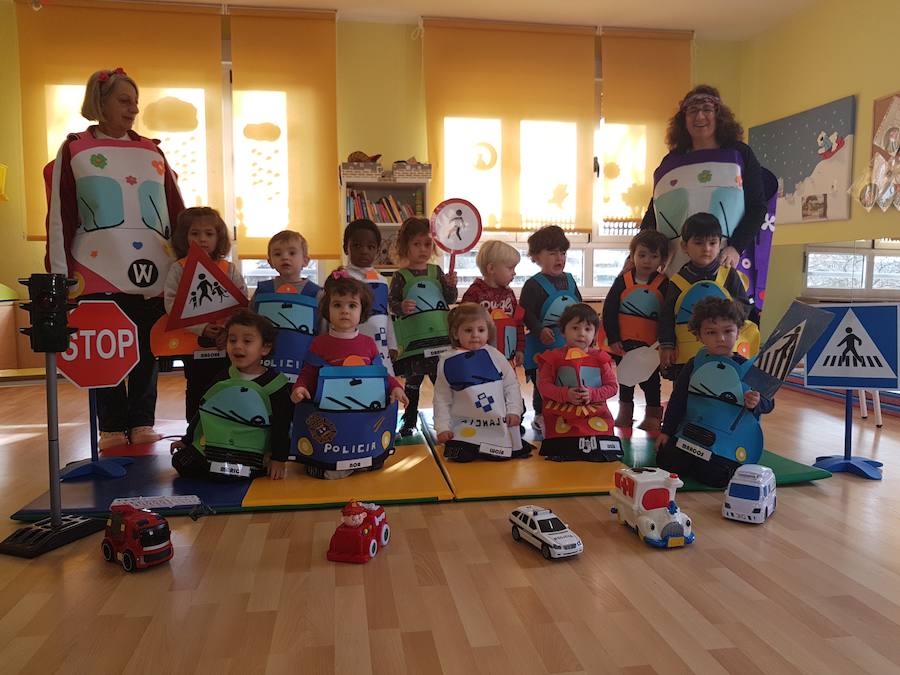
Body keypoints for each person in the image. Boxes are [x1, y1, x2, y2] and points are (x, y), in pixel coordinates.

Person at [45, 67, 184, 449]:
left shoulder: (152, 150)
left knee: (145, 349)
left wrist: (189, 265)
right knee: (103, 350)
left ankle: (141, 420)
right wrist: (59, 275)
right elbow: (61, 215)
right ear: (100, 103)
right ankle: (110, 425)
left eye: (136, 101)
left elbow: (175, 211)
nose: (133, 108)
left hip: (153, 271)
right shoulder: (74, 149)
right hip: (94, 269)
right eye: (125, 100)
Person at [640, 84, 767, 276]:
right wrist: (637, 254)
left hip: (725, 264)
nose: (700, 116)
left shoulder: (740, 154)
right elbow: (655, 212)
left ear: (718, 115)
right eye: (692, 111)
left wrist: (736, 247)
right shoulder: (671, 161)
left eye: (707, 109)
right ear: (684, 120)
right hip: (676, 269)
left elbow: (757, 207)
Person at [292, 274, 408, 479]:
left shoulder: (368, 344)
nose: (345, 310)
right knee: (328, 457)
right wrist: (300, 388)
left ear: (362, 311)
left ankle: (360, 461)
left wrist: (395, 387)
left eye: (352, 305)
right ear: (327, 309)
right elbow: (308, 373)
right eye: (337, 305)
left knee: (370, 453)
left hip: (362, 416)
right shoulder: (320, 344)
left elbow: (380, 374)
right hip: (332, 412)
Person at [656, 297, 774, 487]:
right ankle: (695, 461)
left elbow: (769, 403)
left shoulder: (750, 369)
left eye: (728, 331)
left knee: (715, 476)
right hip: (693, 433)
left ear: (738, 333)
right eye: (711, 332)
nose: (721, 338)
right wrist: (666, 431)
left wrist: (757, 402)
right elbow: (678, 400)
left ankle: (706, 464)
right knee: (666, 461)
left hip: (726, 442)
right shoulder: (694, 364)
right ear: (699, 336)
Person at [171, 309, 292, 481]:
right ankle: (219, 466)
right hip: (218, 444)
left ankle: (227, 469)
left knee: (232, 474)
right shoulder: (223, 377)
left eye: (247, 341)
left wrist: (278, 459)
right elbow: (203, 411)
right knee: (181, 461)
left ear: (265, 348)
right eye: (232, 340)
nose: (237, 346)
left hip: (251, 450)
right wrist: (187, 439)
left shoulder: (274, 385)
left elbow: (282, 426)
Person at [165, 207, 247, 424]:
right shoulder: (179, 269)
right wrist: (200, 328)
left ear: (218, 238)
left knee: (225, 384)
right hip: (193, 344)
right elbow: (172, 304)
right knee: (196, 388)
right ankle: (194, 434)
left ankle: (225, 429)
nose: (202, 239)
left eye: (209, 234)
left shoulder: (228, 269)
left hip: (225, 343)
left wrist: (228, 330)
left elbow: (241, 301)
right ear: (184, 237)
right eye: (195, 234)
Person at [659, 212, 757, 381]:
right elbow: (667, 316)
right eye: (698, 243)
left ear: (720, 244)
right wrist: (666, 345)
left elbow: (744, 308)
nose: (706, 248)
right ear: (684, 246)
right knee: (685, 394)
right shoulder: (678, 280)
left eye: (713, 243)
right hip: (687, 356)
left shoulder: (729, 276)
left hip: (725, 350)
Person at [389, 217, 458, 436]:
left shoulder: (436, 271)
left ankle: (445, 421)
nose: (422, 249)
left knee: (442, 382)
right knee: (413, 382)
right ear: (405, 247)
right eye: (416, 244)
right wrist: (401, 306)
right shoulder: (400, 276)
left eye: (427, 244)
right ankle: (409, 421)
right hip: (415, 343)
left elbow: (449, 298)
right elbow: (391, 303)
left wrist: (451, 286)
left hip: (440, 338)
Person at [433, 304, 528, 462]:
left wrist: (514, 410)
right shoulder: (447, 361)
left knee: (500, 456)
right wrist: (442, 427)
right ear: (456, 333)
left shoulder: (495, 355)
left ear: (488, 332)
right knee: (460, 456)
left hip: (496, 426)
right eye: (468, 330)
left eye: (481, 330)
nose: (475, 335)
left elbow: (511, 385)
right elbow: (441, 398)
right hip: (464, 426)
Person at [601, 230, 669, 431]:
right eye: (642, 255)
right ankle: (625, 413)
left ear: (662, 259)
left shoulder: (664, 284)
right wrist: (613, 338)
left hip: (651, 346)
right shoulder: (623, 280)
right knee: (625, 378)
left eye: (653, 256)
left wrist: (664, 343)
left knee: (651, 381)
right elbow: (609, 310)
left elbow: (667, 315)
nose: (647, 261)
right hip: (623, 343)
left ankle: (653, 416)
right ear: (632, 256)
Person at [536, 304, 620, 461]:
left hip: (594, 413)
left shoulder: (601, 359)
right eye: (575, 328)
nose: (581, 334)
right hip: (561, 413)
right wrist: (565, 394)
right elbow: (544, 386)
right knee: (562, 451)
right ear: (563, 331)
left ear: (595, 334)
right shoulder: (553, 358)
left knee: (601, 452)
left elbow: (612, 387)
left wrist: (593, 394)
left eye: (588, 329)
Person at [520, 225, 581, 436]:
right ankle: (540, 414)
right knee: (543, 380)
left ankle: (566, 411)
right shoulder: (533, 285)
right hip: (542, 343)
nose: (559, 258)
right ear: (536, 257)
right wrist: (539, 330)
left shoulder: (571, 280)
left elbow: (579, 309)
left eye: (562, 253)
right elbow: (526, 313)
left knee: (565, 376)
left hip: (567, 343)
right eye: (552, 253)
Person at [251, 230, 321, 382]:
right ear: (270, 261)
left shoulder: (317, 294)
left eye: (292, 253)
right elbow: (250, 325)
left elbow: (323, 331)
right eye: (278, 254)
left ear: (305, 260)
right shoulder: (263, 290)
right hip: (266, 364)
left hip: (303, 365)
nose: (285, 257)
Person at [339, 219, 398, 374]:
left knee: (382, 383)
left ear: (377, 250)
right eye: (357, 245)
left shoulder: (382, 281)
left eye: (370, 247)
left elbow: (387, 314)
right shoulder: (341, 278)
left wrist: (392, 344)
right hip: (348, 342)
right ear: (346, 248)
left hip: (380, 346)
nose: (364, 251)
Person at [461, 240, 525, 365]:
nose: (514, 273)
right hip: (479, 358)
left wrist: (520, 349)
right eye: (510, 268)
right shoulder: (474, 293)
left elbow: (517, 323)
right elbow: (462, 324)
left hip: (507, 358)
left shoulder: (509, 294)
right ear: (491, 268)